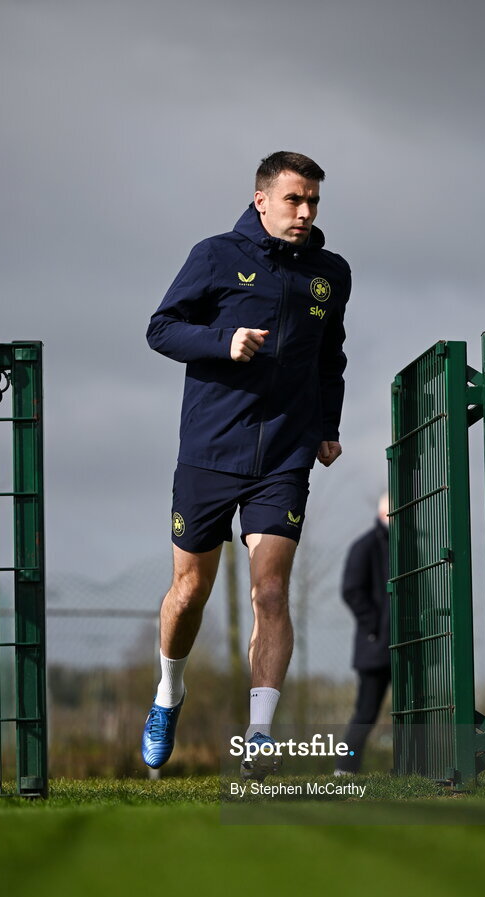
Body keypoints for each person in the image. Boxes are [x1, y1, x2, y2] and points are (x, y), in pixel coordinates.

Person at [142, 151, 351, 779]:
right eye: (295, 200)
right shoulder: (215, 255)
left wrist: (328, 429)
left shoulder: (331, 272)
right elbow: (161, 328)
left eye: (314, 201)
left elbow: (330, 357)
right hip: (210, 450)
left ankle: (259, 735)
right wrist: (221, 342)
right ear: (262, 199)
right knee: (190, 593)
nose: (306, 212)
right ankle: (168, 694)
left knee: (270, 590)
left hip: (284, 455)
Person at [335, 494, 391, 774]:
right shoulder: (366, 546)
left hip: (401, 643)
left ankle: (414, 767)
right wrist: (375, 626)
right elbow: (351, 590)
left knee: (414, 714)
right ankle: (346, 767)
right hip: (376, 647)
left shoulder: (404, 546)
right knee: (365, 714)